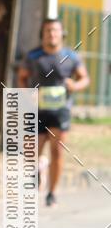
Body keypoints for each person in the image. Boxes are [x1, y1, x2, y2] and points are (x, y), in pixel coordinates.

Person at [18, 18, 89, 206]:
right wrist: (27, 94)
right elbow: (22, 77)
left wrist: (75, 85)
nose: (52, 34)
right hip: (37, 110)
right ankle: (38, 171)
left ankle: (52, 193)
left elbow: (84, 79)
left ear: (61, 33)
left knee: (57, 151)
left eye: (55, 30)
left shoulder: (71, 57)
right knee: (32, 151)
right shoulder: (33, 56)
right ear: (43, 34)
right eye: (48, 30)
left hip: (60, 110)